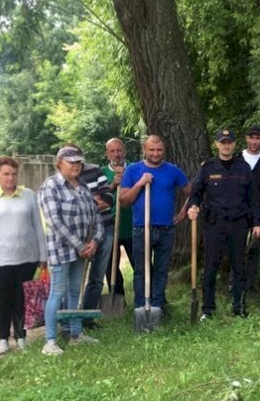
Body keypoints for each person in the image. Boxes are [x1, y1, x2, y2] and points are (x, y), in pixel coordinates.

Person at [0, 157, 48, 354]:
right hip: (0, 258)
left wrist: (43, 254)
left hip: (27, 256)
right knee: (4, 299)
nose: (10, 178)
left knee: (22, 298)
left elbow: (38, 226)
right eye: (5, 174)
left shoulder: (28, 195)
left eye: (13, 174)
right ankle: (2, 338)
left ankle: (21, 336)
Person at [188, 128, 260, 319]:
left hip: (239, 224)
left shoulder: (243, 168)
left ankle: (239, 307)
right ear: (217, 144)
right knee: (211, 267)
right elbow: (196, 192)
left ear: (234, 144)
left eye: (229, 142)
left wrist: (257, 223)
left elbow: (253, 198)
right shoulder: (208, 167)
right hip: (215, 224)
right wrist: (193, 206)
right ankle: (208, 309)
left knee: (239, 266)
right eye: (223, 142)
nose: (226, 145)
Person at [38, 147, 104, 355]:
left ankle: (75, 334)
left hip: (82, 250)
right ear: (59, 163)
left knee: (76, 291)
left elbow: (96, 217)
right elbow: (54, 221)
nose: (76, 165)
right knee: (57, 293)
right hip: (61, 251)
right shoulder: (50, 187)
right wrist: (80, 245)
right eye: (71, 162)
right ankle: (50, 341)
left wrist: (94, 240)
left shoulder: (82, 186)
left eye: (79, 162)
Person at [120, 135, 191, 315]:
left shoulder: (173, 170)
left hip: (166, 229)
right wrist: (140, 184)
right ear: (144, 149)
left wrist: (183, 212)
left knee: (161, 270)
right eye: (152, 150)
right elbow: (124, 201)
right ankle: (140, 307)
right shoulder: (133, 170)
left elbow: (192, 191)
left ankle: (158, 306)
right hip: (141, 229)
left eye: (159, 150)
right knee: (141, 271)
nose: (155, 153)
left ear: (164, 150)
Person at [79, 147, 114, 326]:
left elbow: (108, 199)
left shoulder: (95, 170)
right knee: (75, 278)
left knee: (97, 277)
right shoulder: (62, 179)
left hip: (105, 229)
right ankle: (70, 319)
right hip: (79, 234)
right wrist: (95, 201)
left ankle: (87, 319)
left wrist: (85, 207)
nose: (74, 163)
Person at [239, 125, 260, 293]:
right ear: (246, 139)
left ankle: (250, 284)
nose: (254, 141)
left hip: (259, 211)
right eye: (251, 138)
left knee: (254, 247)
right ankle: (235, 282)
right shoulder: (237, 159)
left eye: (257, 138)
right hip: (238, 210)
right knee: (236, 247)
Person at [103, 137, 135, 297]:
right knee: (111, 268)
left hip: (133, 227)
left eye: (119, 150)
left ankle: (145, 298)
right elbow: (99, 198)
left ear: (125, 152)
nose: (116, 154)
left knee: (141, 266)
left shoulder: (135, 169)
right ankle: (117, 300)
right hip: (110, 229)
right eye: (112, 151)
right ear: (107, 153)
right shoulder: (101, 173)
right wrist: (113, 184)